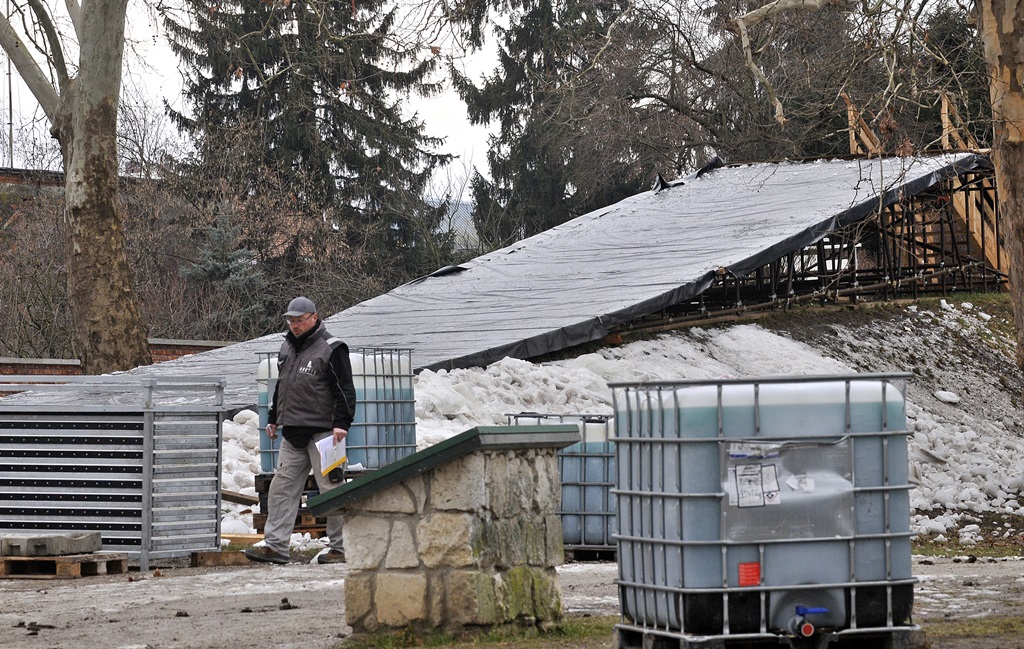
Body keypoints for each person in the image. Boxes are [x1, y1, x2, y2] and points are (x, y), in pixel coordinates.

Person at [245, 296, 357, 565]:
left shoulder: (332, 348)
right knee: (281, 489)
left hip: (325, 435)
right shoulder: (286, 348)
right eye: (291, 321)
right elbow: (282, 387)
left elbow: (345, 390)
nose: (295, 325)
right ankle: (276, 546)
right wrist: (274, 417)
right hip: (293, 433)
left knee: (332, 490)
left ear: (314, 318)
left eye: (300, 320)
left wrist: (342, 423)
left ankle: (342, 548)